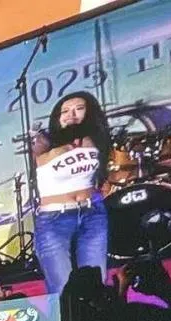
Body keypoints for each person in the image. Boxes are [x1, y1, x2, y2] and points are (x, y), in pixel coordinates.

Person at [33, 91, 111, 301]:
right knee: (63, 289)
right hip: (55, 217)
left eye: (79, 109)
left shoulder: (95, 139)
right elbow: (38, 160)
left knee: (96, 284)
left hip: (92, 212)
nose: (71, 115)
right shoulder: (46, 140)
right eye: (65, 111)